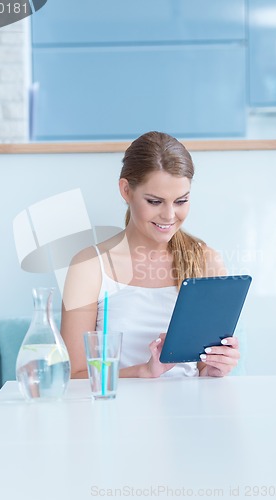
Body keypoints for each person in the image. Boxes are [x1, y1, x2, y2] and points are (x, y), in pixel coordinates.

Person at [61, 131, 240, 378]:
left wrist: (215, 367)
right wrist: (144, 371)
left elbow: (202, 370)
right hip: (114, 412)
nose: (169, 215)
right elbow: (74, 375)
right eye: (155, 201)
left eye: (181, 201)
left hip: (189, 412)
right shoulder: (89, 266)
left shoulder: (205, 261)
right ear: (126, 190)